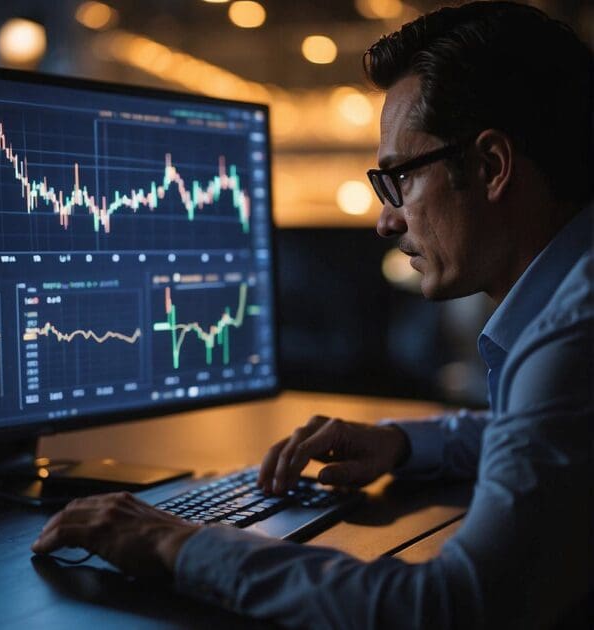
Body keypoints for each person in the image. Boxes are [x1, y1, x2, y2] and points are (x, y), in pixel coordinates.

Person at [32, 2, 593, 627]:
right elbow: (549, 437)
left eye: (399, 180)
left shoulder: (571, 339)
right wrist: (405, 443)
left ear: (491, 167)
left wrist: (180, 544)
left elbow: (452, 608)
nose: (385, 221)